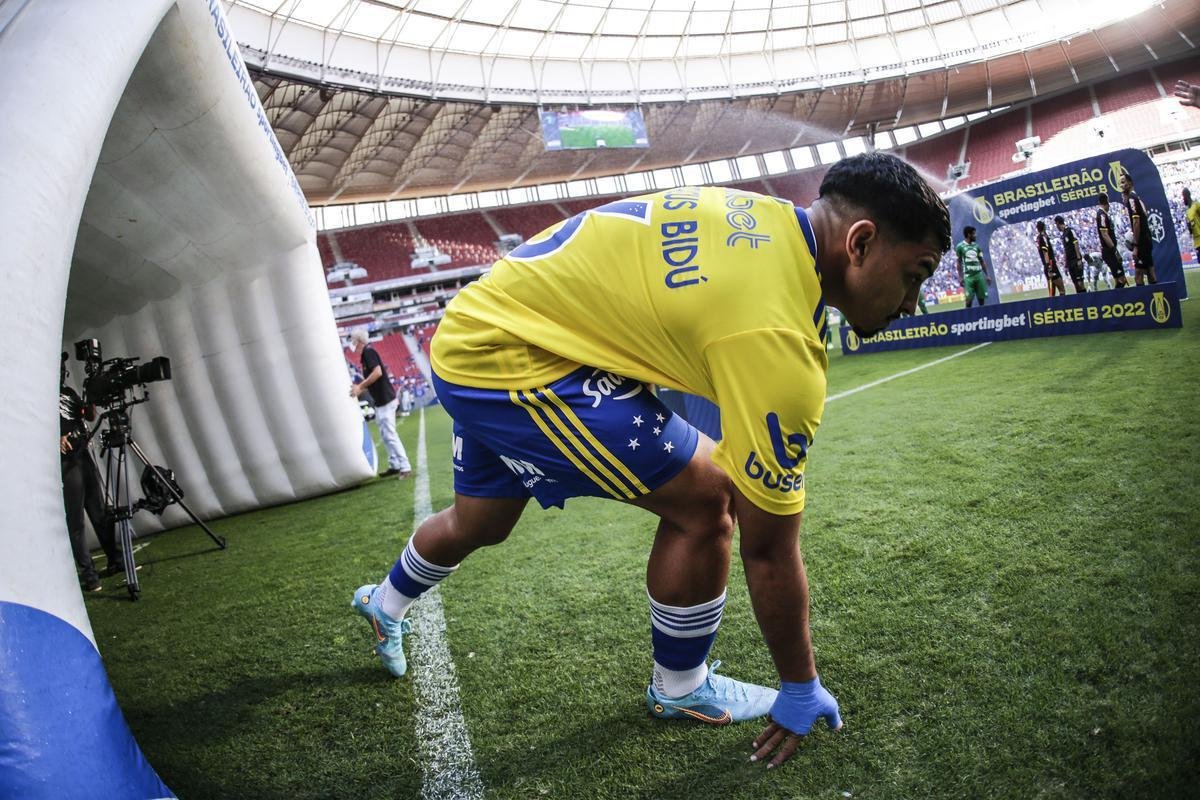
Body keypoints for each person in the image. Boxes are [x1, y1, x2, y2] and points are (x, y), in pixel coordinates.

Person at [349, 152, 950, 769]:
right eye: (916, 274)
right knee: (710, 500)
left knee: (481, 521)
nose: (914, 302)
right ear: (861, 241)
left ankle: (385, 602)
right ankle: (681, 687)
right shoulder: (775, 340)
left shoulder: (763, 217)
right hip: (515, 357)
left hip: (486, 322)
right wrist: (799, 684)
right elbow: (768, 550)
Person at [60, 352, 123, 592]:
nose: (62, 369)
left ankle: (115, 559)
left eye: (63, 364)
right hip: (66, 463)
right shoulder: (38, 398)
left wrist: (91, 398)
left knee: (99, 512)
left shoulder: (68, 393)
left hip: (83, 457)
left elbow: (89, 416)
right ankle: (90, 576)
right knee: (76, 521)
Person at [349, 330, 411, 478]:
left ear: (359, 341)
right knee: (385, 434)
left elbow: (377, 373)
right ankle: (395, 464)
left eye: (353, 340)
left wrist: (360, 386)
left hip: (385, 400)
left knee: (390, 434)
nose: (351, 343)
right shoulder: (365, 355)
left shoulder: (368, 352)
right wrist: (360, 386)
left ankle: (405, 466)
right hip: (381, 401)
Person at [1119, 170, 1157, 285]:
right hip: (1146, 238)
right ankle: (1156, 297)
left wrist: (1136, 246)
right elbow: (1144, 214)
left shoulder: (1132, 198)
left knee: (1138, 275)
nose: (1121, 185)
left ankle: (1147, 300)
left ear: (1130, 183)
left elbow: (1136, 222)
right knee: (1150, 271)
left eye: (1123, 182)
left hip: (1142, 242)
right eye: (1120, 183)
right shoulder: (1136, 197)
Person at [1095, 192, 1129, 288]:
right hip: (1109, 251)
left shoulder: (1103, 214)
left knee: (1118, 277)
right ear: (1107, 201)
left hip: (1109, 250)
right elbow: (1105, 235)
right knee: (1121, 279)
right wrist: (1114, 250)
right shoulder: (1101, 215)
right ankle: (1120, 299)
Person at [954, 225, 991, 307]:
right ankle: (968, 318)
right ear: (968, 234)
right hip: (968, 277)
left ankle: (983, 318)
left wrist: (987, 275)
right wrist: (960, 277)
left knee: (981, 300)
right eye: (974, 234)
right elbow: (958, 262)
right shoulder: (960, 247)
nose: (975, 235)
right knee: (969, 300)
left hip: (979, 275)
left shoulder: (977, 246)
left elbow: (982, 261)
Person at [1054, 216, 1087, 293]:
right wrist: (1066, 264)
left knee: (1080, 283)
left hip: (1075, 260)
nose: (1056, 227)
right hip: (1070, 263)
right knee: (1076, 284)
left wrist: (1079, 259)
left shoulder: (1070, 230)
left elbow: (1076, 244)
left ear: (1058, 223)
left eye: (1056, 224)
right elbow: (1066, 250)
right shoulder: (1063, 235)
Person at [1035, 220, 1067, 297]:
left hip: (1048, 266)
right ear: (1044, 227)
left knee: (1052, 293)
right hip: (1051, 266)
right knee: (1062, 290)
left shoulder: (1040, 238)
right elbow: (1045, 253)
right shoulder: (1043, 237)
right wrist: (1049, 267)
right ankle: (1062, 307)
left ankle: (1053, 308)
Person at [1183, 187, 1200, 267]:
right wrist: (1189, 226)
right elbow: (1190, 230)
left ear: (1187, 195)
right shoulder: (1187, 212)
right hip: (1197, 242)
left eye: (1183, 196)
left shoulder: (1196, 205)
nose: (1183, 199)